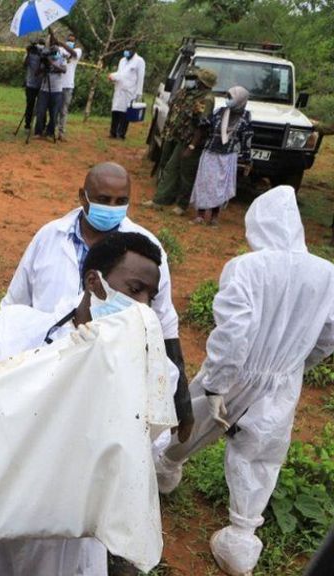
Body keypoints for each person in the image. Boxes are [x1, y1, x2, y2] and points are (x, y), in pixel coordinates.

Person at [0, 231, 169, 576]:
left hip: (65, 522)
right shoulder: (19, 327)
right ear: (94, 282)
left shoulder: (148, 366)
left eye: (150, 296)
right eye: (134, 289)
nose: (143, 305)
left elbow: (152, 442)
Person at [156, 186, 334, 576]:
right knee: (261, 451)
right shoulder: (327, 274)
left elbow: (234, 331)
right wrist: (297, 363)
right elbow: (327, 335)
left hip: (237, 370)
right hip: (284, 376)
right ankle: (240, 539)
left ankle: (163, 471)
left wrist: (218, 384)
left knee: (193, 420)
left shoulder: (247, 267)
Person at [2, 162, 193, 441]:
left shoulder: (146, 251)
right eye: (104, 200)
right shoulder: (49, 238)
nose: (112, 207)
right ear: (83, 197)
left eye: (121, 201)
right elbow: (15, 305)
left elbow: (163, 322)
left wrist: (181, 400)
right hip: (44, 369)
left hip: (111, 375)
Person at [145, 67, 217, 215]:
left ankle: (179, 204)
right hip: (178, 135)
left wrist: (191, 145)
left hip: (190, 140)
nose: (193, 81)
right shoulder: (188, 93)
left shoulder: (206, 99)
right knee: (169, 168)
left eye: (197, 79)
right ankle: (163, 199)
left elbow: (201, 125)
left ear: (203, 82)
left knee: (184, 173)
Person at [189, 86, 253, 226]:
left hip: (227, 157)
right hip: (210, 153)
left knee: (220, 186)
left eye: (231, 98)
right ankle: (200, 215)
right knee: (204, 183)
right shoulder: (220, 112)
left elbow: (246, 140)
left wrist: (248, 160)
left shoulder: (246, 118)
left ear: (240, 100)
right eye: (228, 97)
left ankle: (214, 217)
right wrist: (196, 115)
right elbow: (205, 125)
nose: (228, 100)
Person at [108, 46, 145, 139]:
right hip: (119, 89)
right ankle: (113, 132)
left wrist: (138, 93)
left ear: (134, 51)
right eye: (125, 50)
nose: (126, 52)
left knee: (125, 113)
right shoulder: (122, 60)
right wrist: (112, 76)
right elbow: (120, 74)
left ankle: (121, 134)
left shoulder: (139, 61)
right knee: (115, 111)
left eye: (129, 50)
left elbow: (140, 78)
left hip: (130, 91)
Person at [33, 41, 67, 139]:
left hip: (57, 90)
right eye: (51, 51)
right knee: (40, 112)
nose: (53, 53)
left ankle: (50, 133)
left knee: (54, 113)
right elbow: (37, 73)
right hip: (44, 89)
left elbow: (64, 70)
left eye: (55, 52)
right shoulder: (45, 59)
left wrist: (52, 64)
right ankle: (38, 132)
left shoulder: (62, 58)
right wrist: (42, 63)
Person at [57, 33, 82, 141]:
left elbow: (73, 53)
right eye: (69, 40)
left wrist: (62, 43)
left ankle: (61, 133)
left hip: (68, 85)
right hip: (57, 84)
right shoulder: (60, 50)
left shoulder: (77, 51)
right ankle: (51, 131)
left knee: (63, 110)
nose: (70, 42)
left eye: (72, 41)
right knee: (54, 109)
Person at [21, 38, 45, 131]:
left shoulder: (45, 53)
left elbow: (45, 67)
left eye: (42, 44)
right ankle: (27, 124)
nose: (40, 47)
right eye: (39, 44)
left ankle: (40, 126)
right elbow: (24, 64)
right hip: (30, 83)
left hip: (42, 85)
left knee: (42, 106)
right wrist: (28, 52)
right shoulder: (30, 53)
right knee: (30, 105)